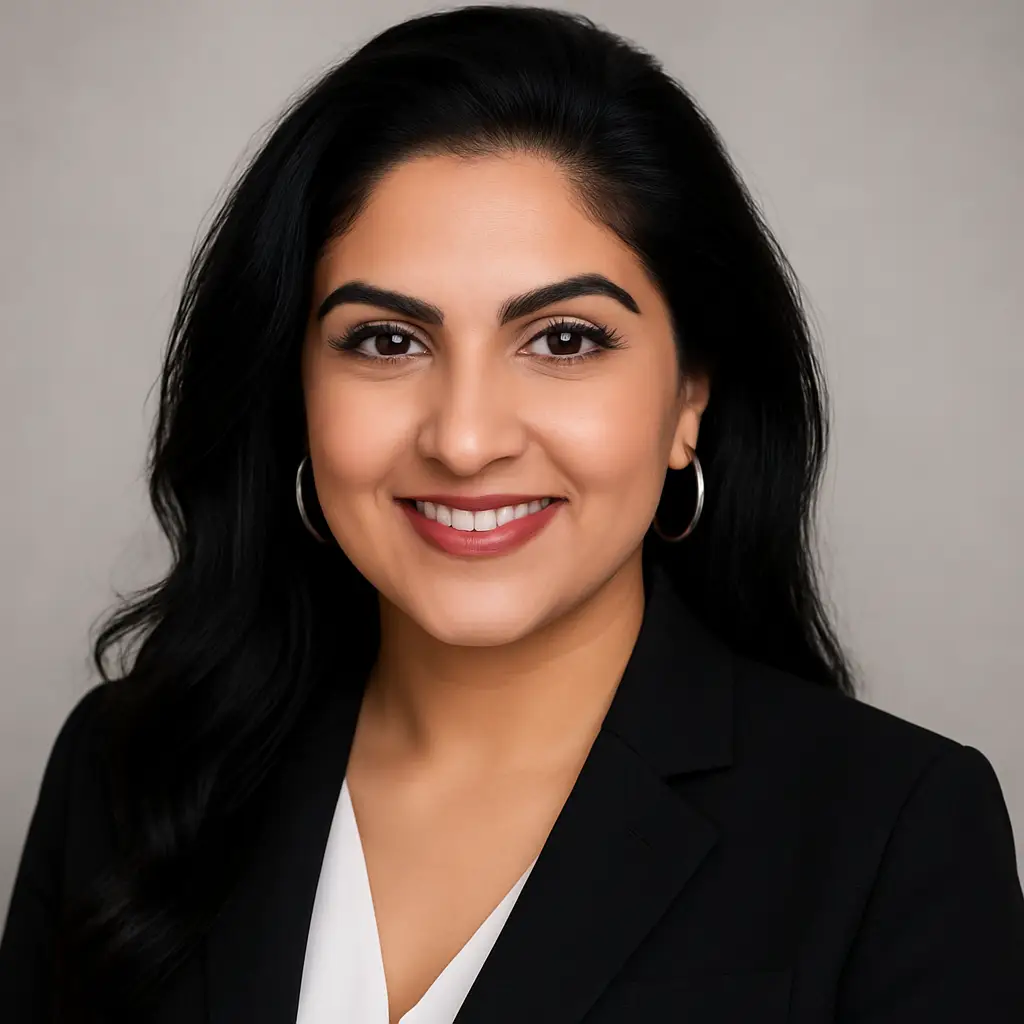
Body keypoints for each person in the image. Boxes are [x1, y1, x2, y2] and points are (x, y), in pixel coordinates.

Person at [1, 4, 1022, 1022]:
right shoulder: (128, 770)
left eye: (565, 340)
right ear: (294, 388)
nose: (464, 437)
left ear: (688, 397)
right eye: (386, 340)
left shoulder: (895, 832)